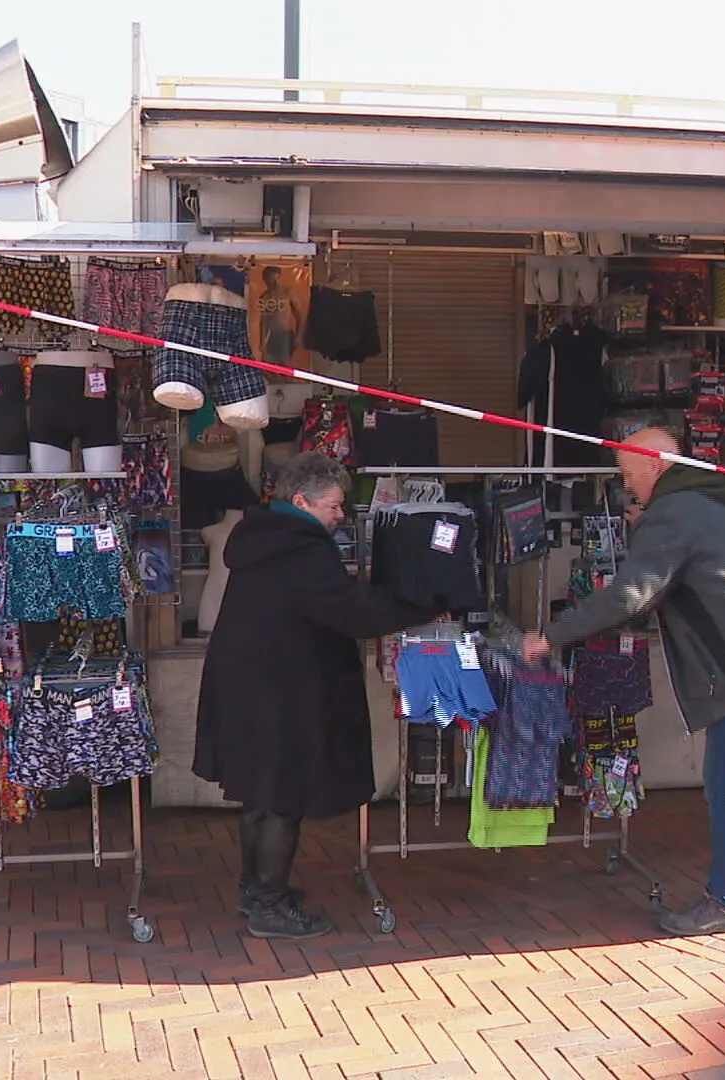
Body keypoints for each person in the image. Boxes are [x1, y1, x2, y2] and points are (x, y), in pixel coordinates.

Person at [522, 428, 725, 935]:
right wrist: (648, 532)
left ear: (654, 465)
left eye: (627, 472)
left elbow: (630, 595)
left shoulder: (671, 513)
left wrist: (552, 636)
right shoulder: (711, 494)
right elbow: (697, 560)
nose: (626, 484)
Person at [193, 452, 433, 939]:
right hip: (281, 690)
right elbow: (349, 611)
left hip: (250, 684)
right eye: (334, 506)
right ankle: (269, 907)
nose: (341, 515)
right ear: (302, 501)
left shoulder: (265, 536)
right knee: (283, 797)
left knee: (260, 794)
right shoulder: (300, 547)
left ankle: (255, 890)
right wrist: (419, 602)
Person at [256, 266, 304, 364]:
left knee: (285, 365)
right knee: (267, 366)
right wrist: (262, 341)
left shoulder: (287, 292)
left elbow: (300, 315)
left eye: (277, 279)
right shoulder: (264, 297)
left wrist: (299, 336)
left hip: (285, 335)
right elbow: (264, 321)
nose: (275, 283)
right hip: (271, 336)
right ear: (265, 280)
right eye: (271, 280)